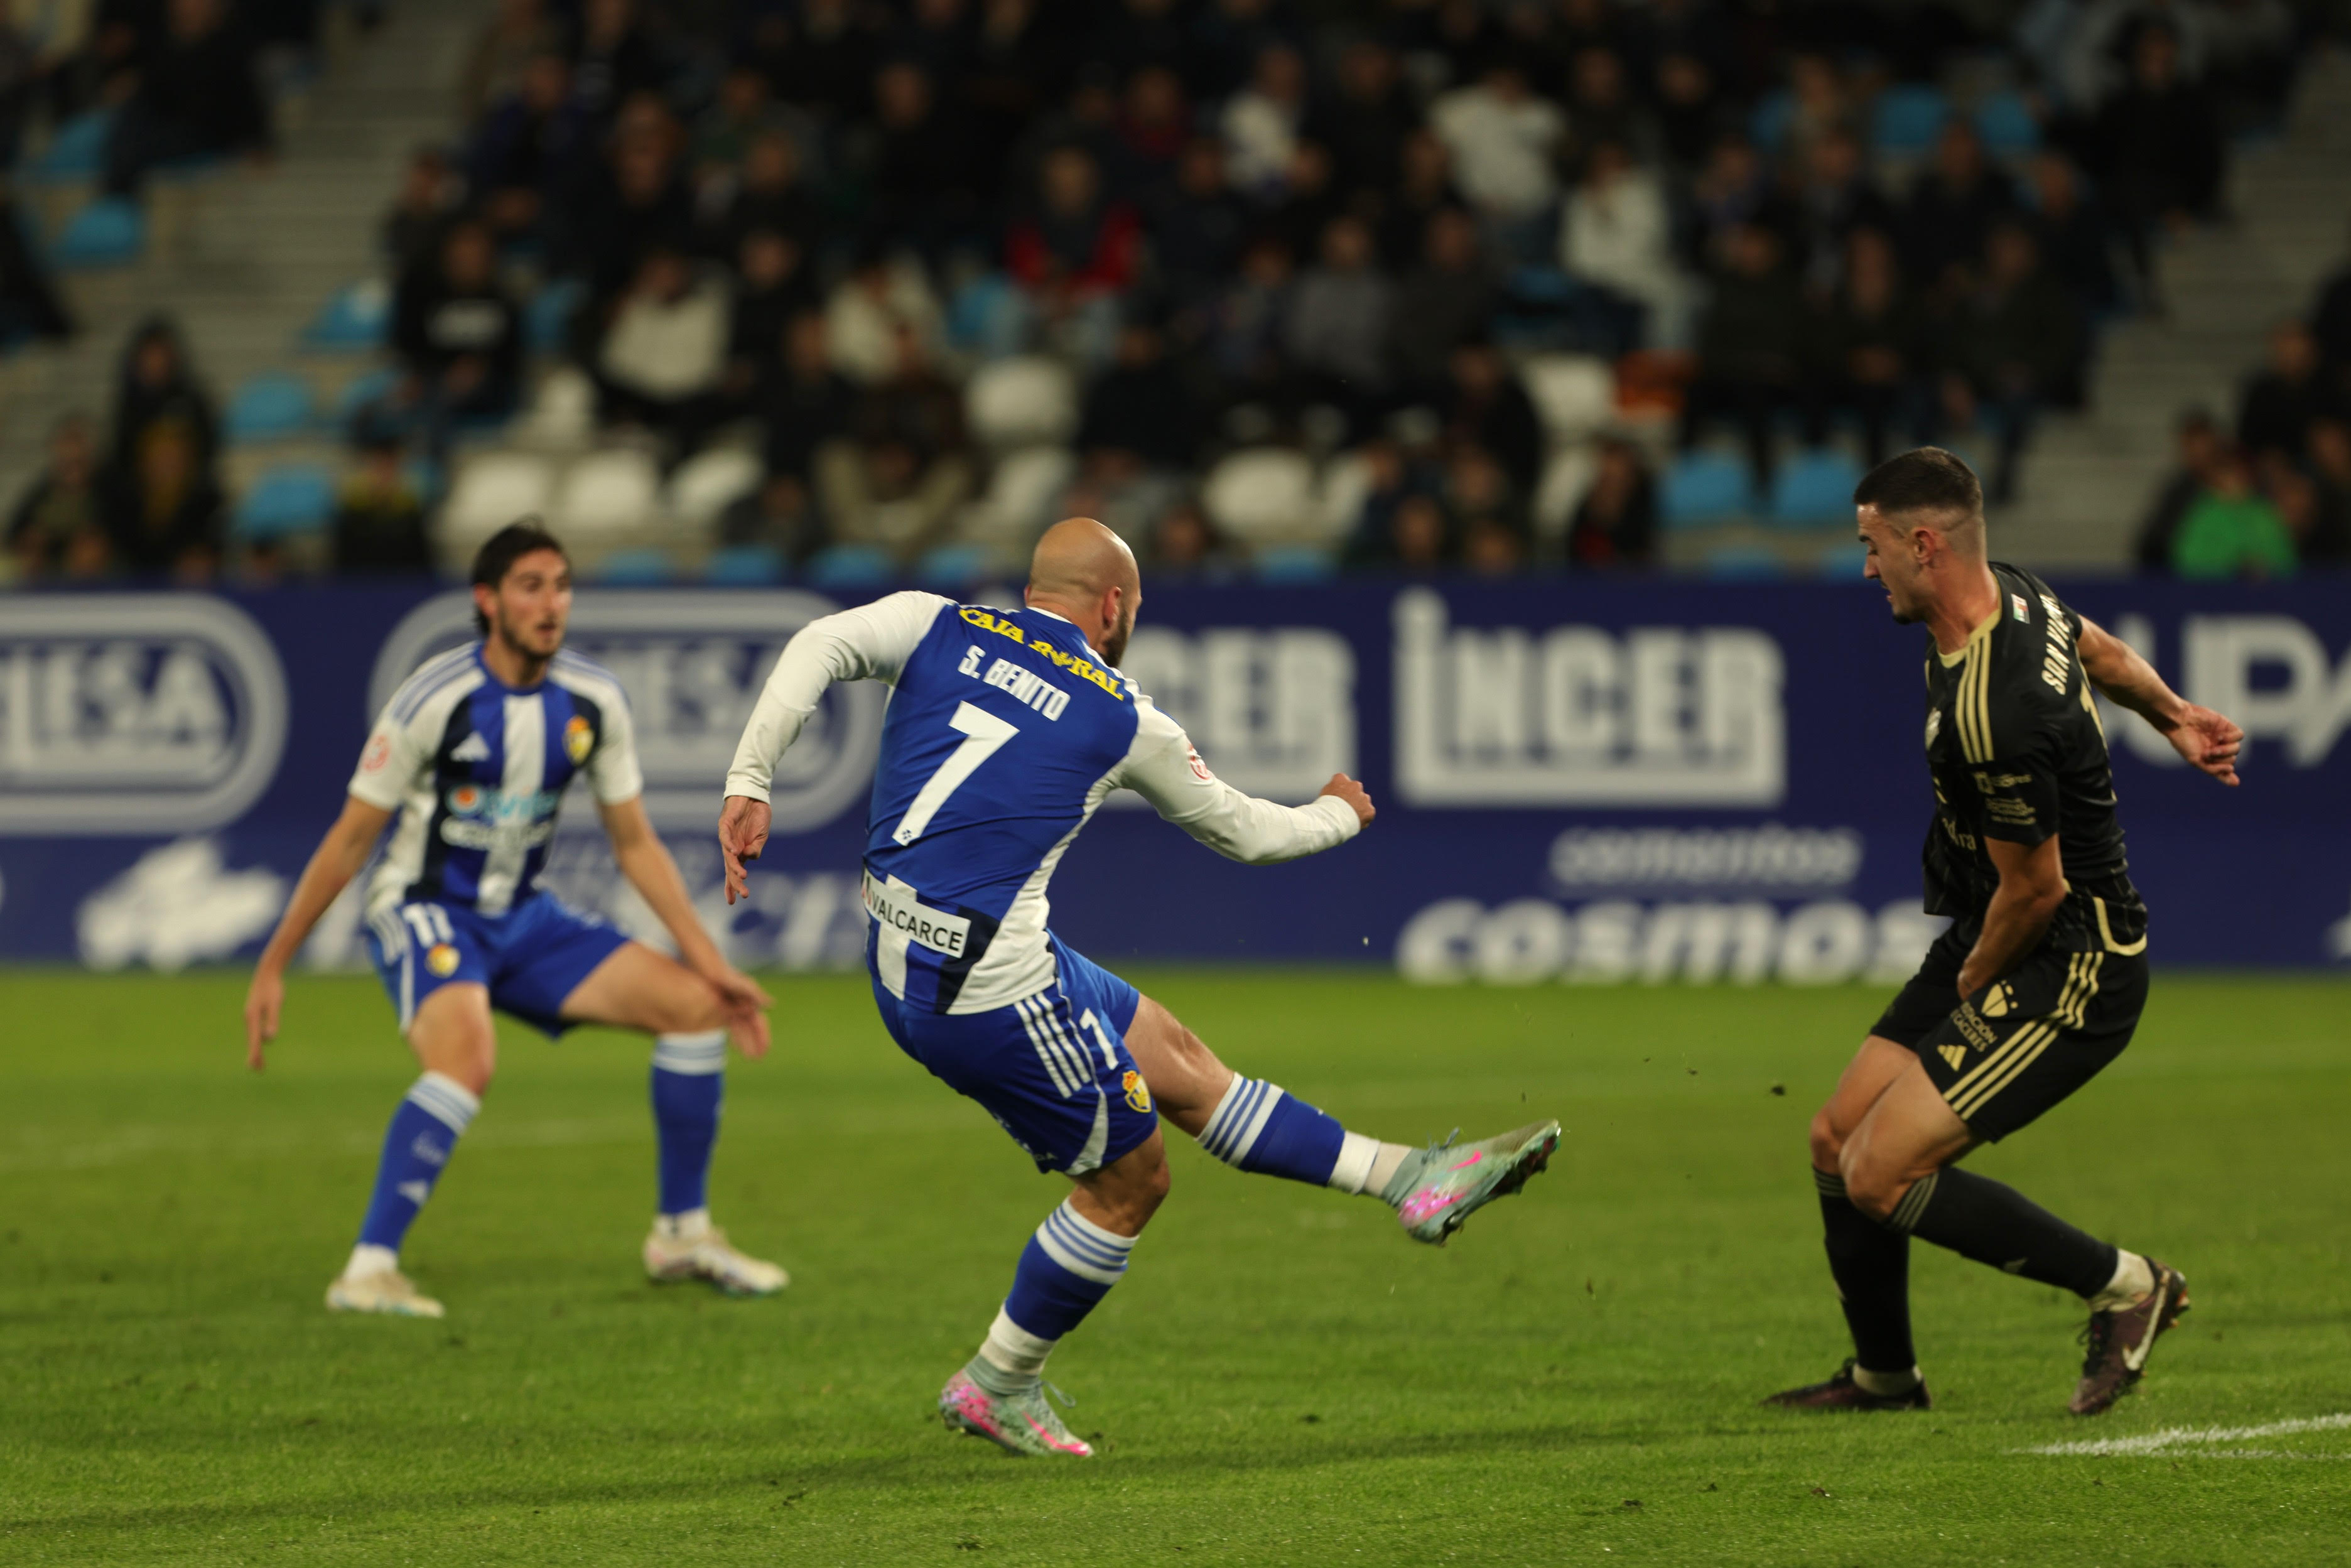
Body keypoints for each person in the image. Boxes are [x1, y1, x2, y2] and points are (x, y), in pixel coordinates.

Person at [716, 518, 1559, 1456]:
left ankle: (1411, 1178)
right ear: (1113, 605)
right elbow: (1247, 832)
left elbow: (817, 641)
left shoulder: (933, 623)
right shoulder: (1119, 713)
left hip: (908, 952)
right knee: (1131, 1182)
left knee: (1182, 1063)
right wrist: (1338, 813)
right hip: (989, 990)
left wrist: (751, 777)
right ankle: (998, 1380)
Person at [1771, 448, 2244, 1417]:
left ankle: (2129, 1286)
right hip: (2001, 928)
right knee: (1834, 1137)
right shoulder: (2017, 598)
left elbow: (2037, 886)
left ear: (1923, 543)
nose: (1866, 570)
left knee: (1881, 1170)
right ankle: (1885, 1379)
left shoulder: (1998, 703)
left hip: (2069, 960)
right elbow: (2098, 647)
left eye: (1871, 548)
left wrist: (1974, 985)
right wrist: (2174, 715)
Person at [242, 523, 787, 1319]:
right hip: (425, 909)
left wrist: (710, 962)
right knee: (467, 1060)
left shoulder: (593, 702)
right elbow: (353, 836)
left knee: (697, 1011)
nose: (551, 602)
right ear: (487, 600)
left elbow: (633, 841)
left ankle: (682, 1234)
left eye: (561, 584)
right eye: (530, 585)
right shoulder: (436, 698)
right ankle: (367, 1268)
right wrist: (273, 961)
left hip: (525, 920)